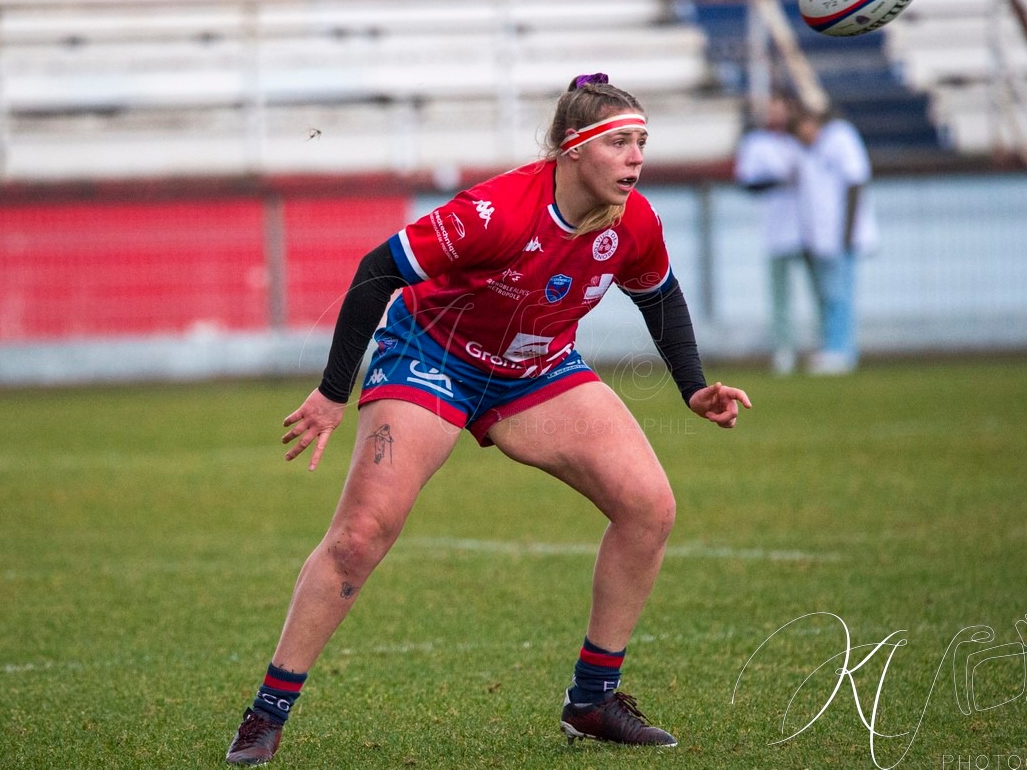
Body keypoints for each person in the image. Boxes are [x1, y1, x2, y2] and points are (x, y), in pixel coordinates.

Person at [224, 74, 752, 765]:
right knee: (360, 536)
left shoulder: (635, 221)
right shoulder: (496, 212)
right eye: (620, 141)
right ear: (570, 150)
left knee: (648, 506)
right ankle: (267, 714)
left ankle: (592, 700)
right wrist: (331, 392)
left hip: (535, 370)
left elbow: (659, 296)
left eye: (641, 142)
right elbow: (376, 271)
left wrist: (692, 388)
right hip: (430, 357)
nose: (635, 157)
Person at [789, 103, 876, 375]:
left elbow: (855, 181)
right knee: (828, 296)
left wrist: (847, 234)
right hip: (822, 239)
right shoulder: (810, 151)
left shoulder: (840, 137)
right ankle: (832, 347)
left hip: (842, 236)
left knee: (840, 295)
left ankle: (841, 351)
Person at [733, 96, 805, 375]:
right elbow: (748, 181)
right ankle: (784, 350)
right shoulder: (757, 143)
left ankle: (830, 348)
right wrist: (781, 180)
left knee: (825, 292)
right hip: (778, 230)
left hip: (812, 229)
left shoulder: (800, 141)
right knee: (781, 296)